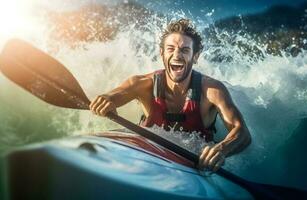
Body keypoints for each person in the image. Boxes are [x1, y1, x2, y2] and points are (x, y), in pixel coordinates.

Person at [89, 18, 251, 172]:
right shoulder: (143, 84)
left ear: (195, 56)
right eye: (170, 49)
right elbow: (115, 94)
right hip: (146, 157)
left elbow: (242, 132)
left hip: (193, 166)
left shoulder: (212, 91)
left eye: (185, 50)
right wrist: (106, 100)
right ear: (162, 53)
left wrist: (222, 149)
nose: (177, 55)